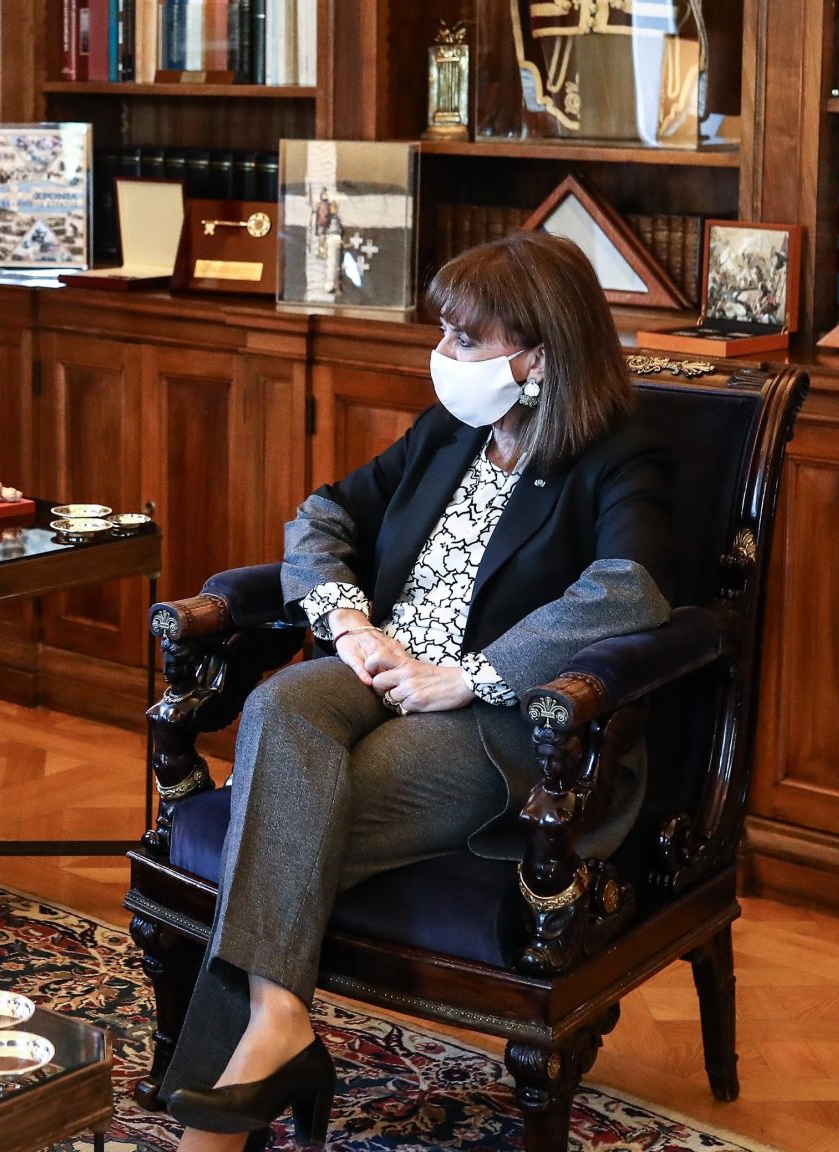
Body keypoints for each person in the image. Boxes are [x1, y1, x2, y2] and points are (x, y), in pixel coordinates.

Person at [160, 231, 675, 1152]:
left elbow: (628, 591)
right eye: (444, 332)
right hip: (378, 663)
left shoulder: (619, 456)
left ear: (538, 355)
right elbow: (323, 514)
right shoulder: (450, 432)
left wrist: (470, 675)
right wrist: (348, 621)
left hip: (495, 717)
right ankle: (279, 1020)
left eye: (465, 339)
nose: (443, 355)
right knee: (279, 705)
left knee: (281, 813)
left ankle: (226, 1106)